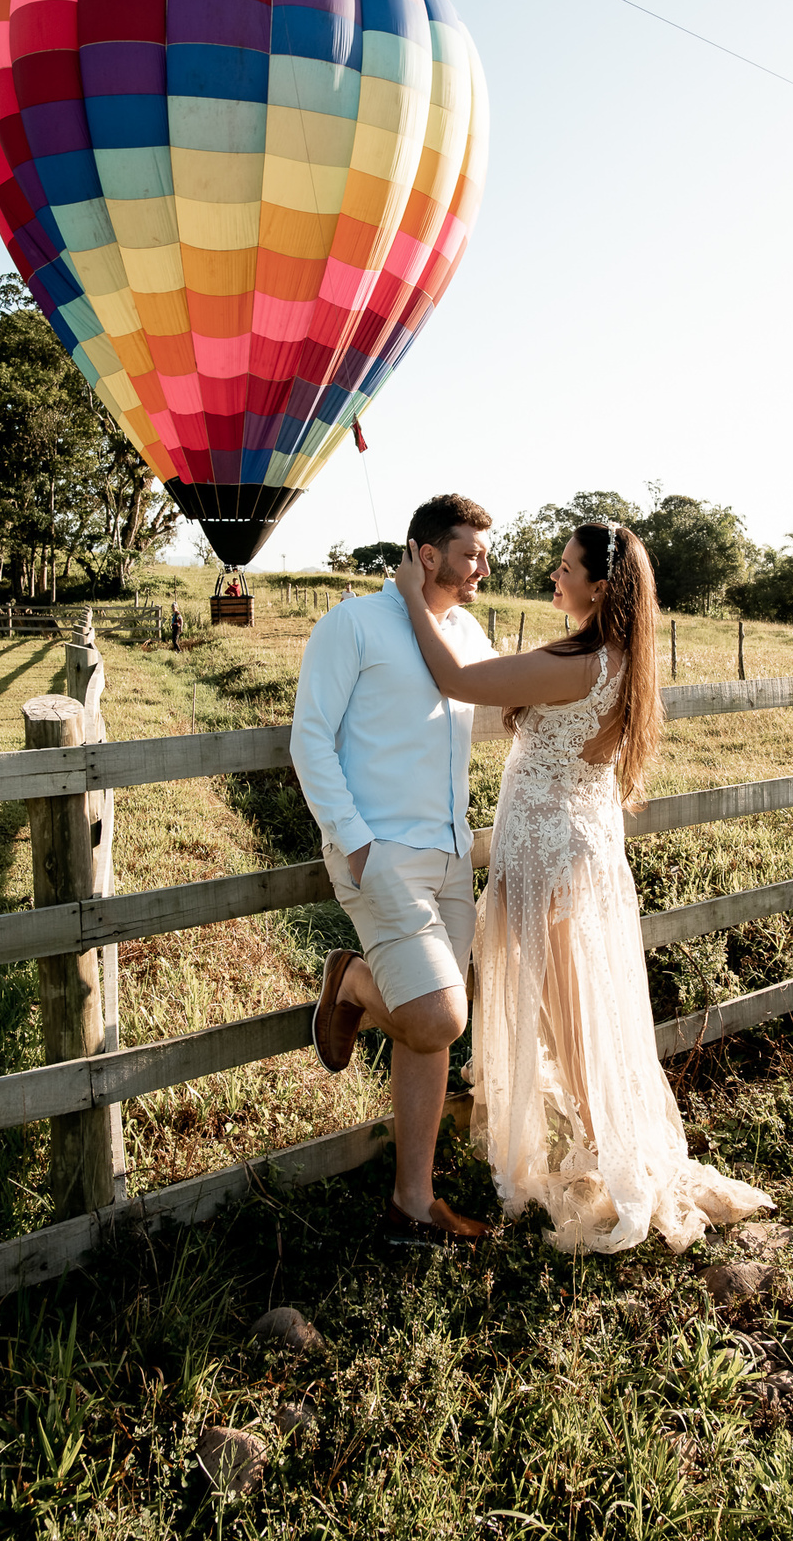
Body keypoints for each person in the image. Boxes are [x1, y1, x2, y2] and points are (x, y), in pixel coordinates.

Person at [393, 523, 773, 1254]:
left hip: (547, 854)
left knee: (569, 1016)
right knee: (575, 1010)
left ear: (601, 588)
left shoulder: (581, 661)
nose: (555, 580)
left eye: (566, 570)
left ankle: (614, 1154)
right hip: (572, 848)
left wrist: (414, 597)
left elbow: (458, 680)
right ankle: (608, 1142)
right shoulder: (615, 657)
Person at [290, 493, 497, 1245]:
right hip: (376, 850)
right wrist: (354, 841)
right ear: (426, 552)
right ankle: (346, 979)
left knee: (433, 1029)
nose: (483, 565)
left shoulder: (467, 631)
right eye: (471, 552)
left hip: (449, 854)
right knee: (440, 1013)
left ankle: (413, 1198)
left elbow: (504, 705)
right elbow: (309, 739)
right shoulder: (353, 623)